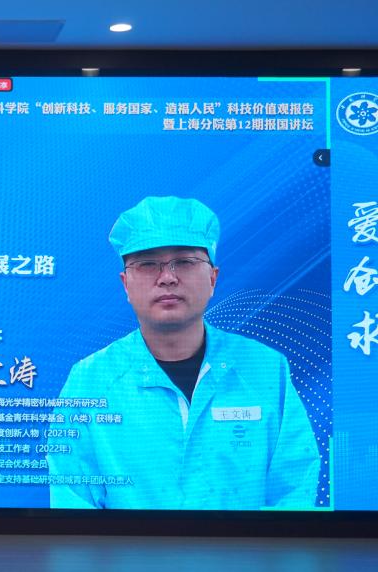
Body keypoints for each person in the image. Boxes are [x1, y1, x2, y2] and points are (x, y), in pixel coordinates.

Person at [47, 196, 320, 510]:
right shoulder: (90, 380)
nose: (167, 277)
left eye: (185, 262)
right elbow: (73, 503)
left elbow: (294, 490)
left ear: (213, 278)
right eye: (147, 264)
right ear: (125, 284)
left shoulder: (265, 369)